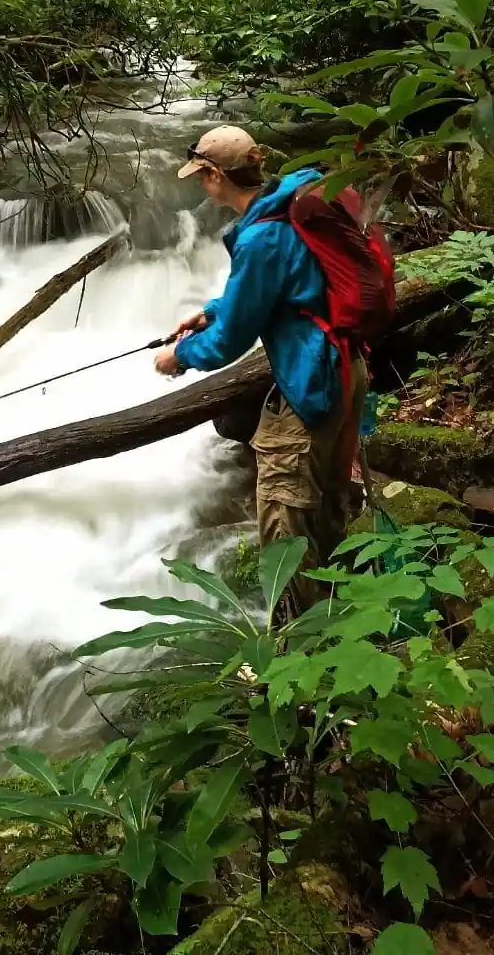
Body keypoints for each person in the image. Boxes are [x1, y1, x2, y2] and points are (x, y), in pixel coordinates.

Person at [155, 126, 367, 618]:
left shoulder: (262, 235)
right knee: (329, 499)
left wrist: (179, 358)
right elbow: (280, 288)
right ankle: (340, 611)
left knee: (284, 521)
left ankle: (299, 651)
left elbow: (233, 340)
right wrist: (210, 310)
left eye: (200, 177)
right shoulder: (293, 201)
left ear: (213, 175)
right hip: (348, 366)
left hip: (311, 379)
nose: (200, 188)